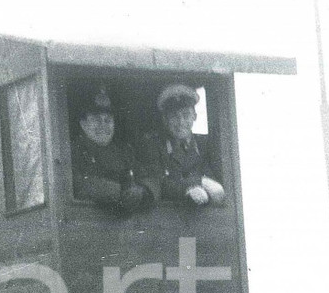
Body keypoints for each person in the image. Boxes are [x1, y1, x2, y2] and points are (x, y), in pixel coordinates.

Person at [139, 83, 225, 206]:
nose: (181, 122)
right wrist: (199, 183)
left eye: (186, 115)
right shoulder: (154, 146)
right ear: (165, 120)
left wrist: (204, 192)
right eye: (174, 116)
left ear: (194, 117)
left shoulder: (205, 145)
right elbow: (158, 184)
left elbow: (217, 187)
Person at [70, 85, 151, 213]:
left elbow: (148, 178)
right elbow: (77, 186)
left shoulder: (124, 152)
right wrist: (120, 191)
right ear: (83, 123)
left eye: (108, 120)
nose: (103, 125)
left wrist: (142, 191)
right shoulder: (71, 152)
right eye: (96, 119)